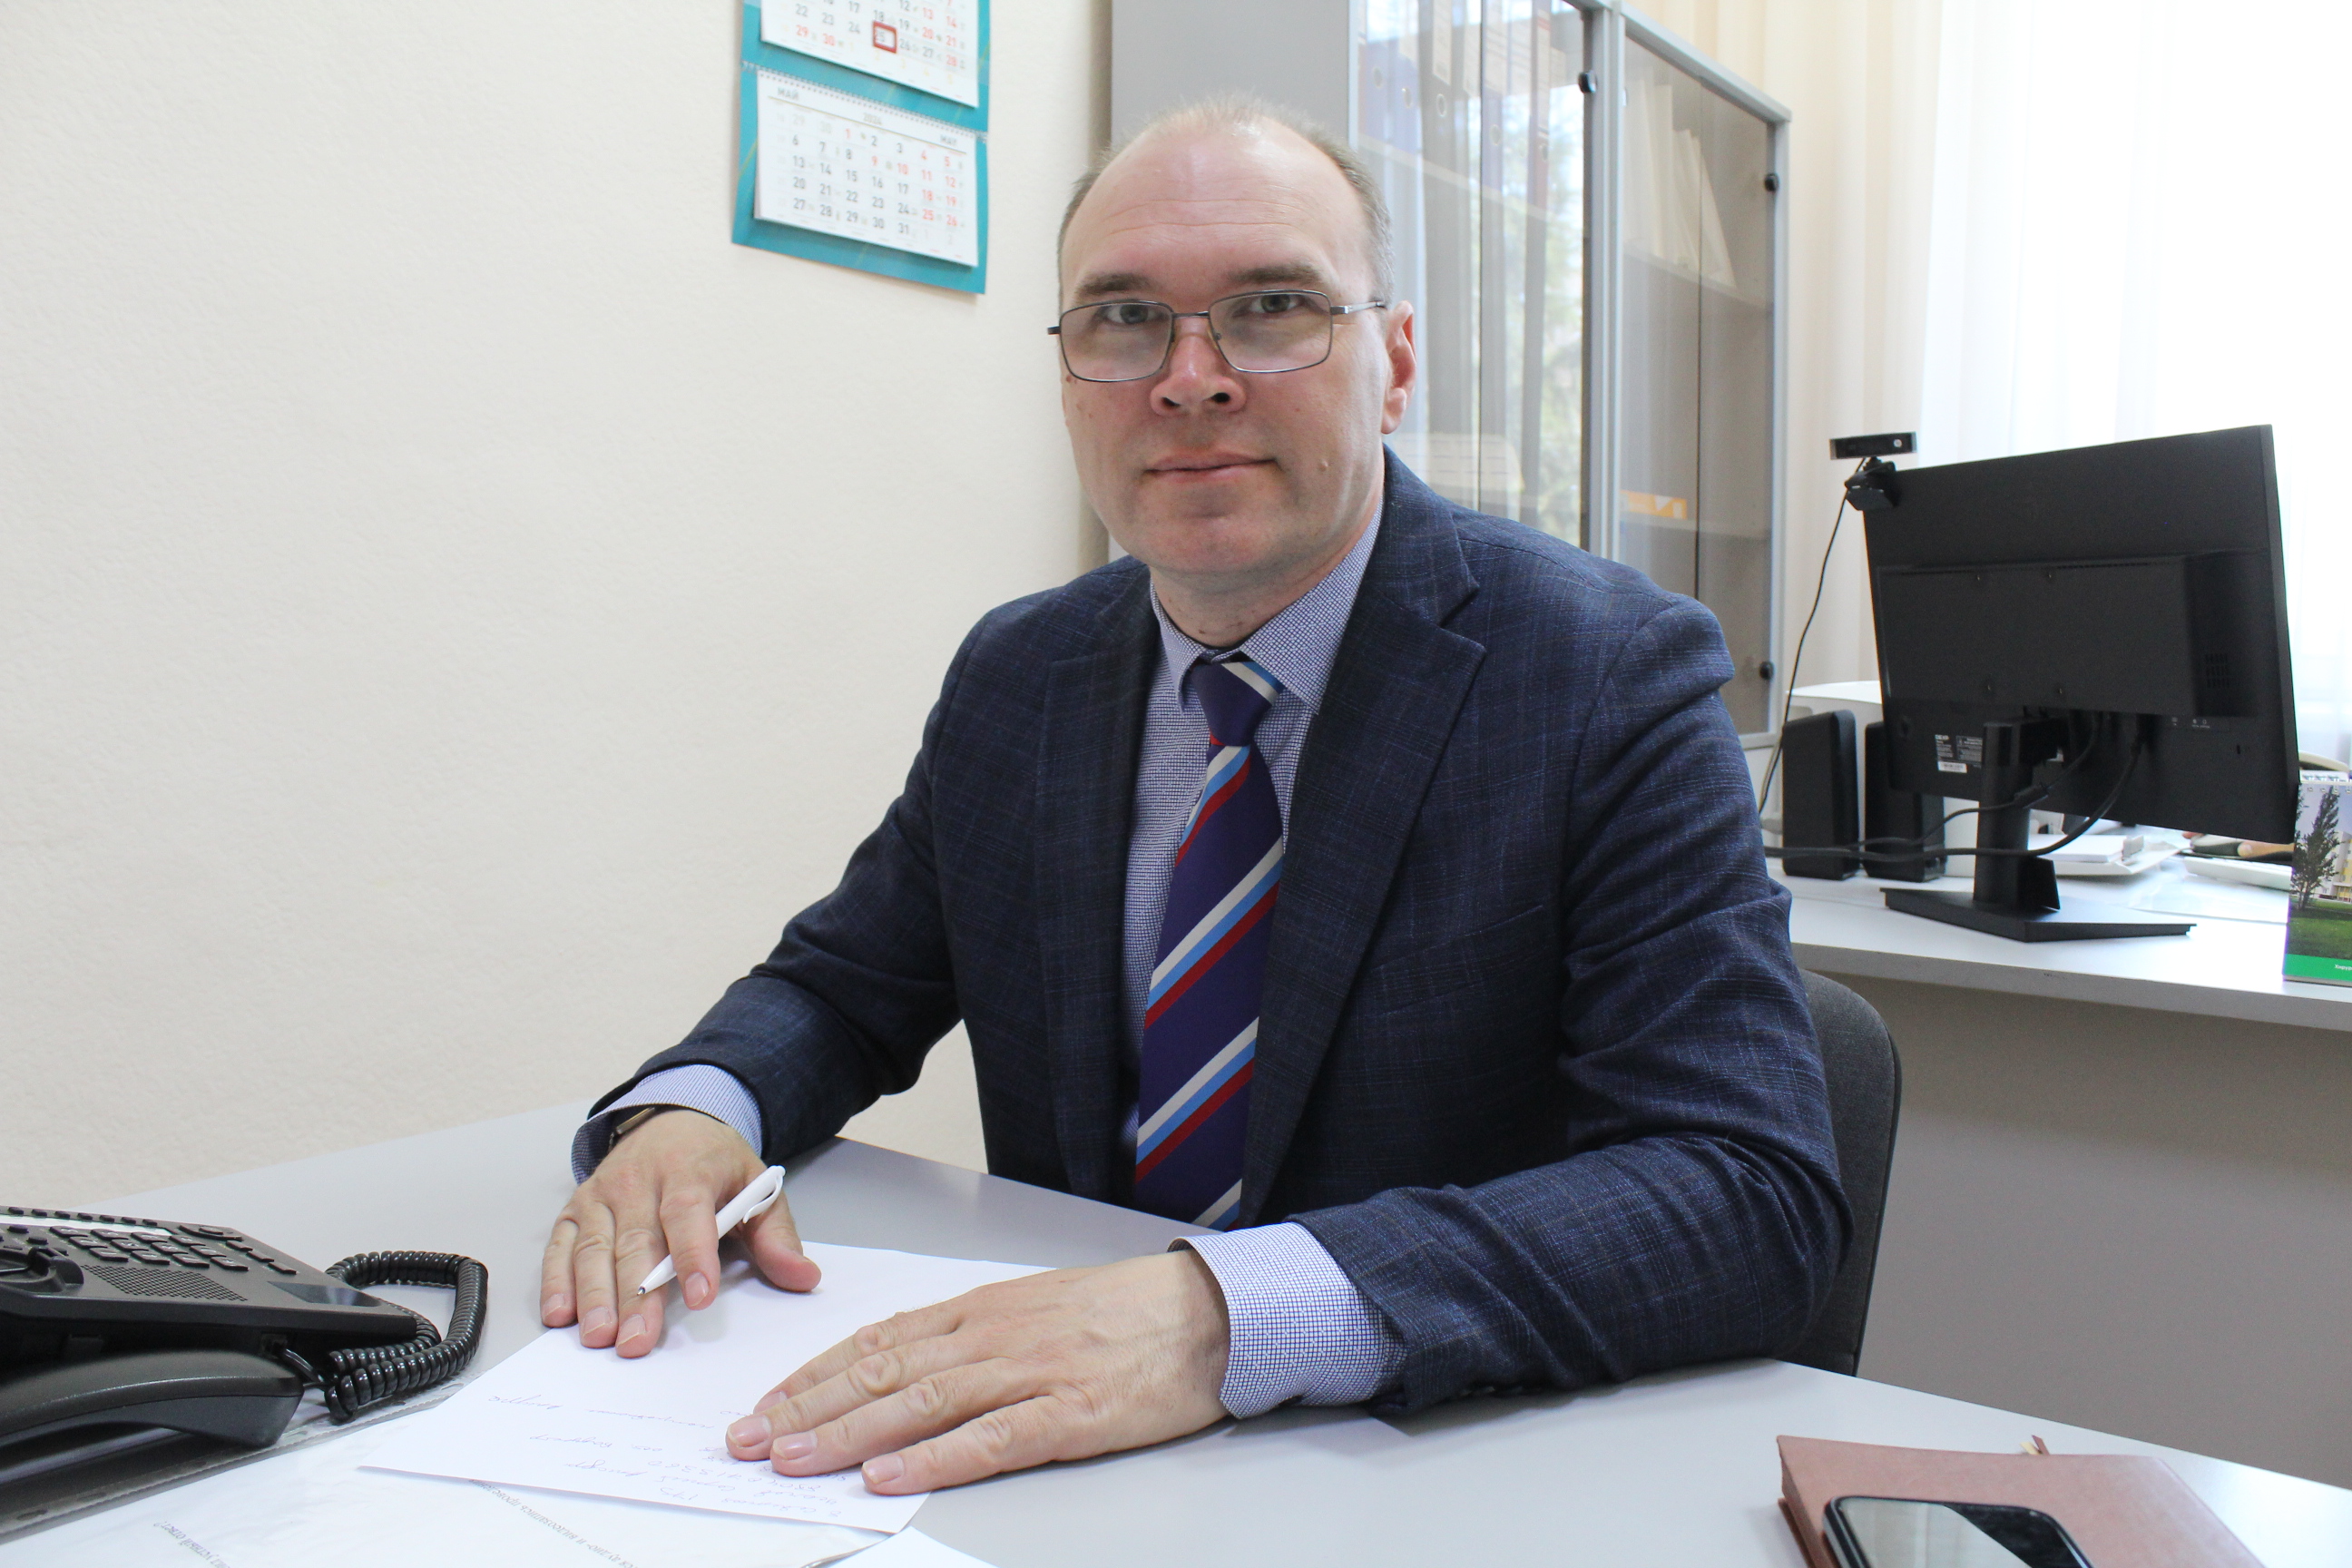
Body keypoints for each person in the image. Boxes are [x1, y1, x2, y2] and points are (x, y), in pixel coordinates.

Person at [540, 97, 1846, 1497]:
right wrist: (701, 1110)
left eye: (1272, 308)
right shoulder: (1022, 675)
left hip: (1429, 1471)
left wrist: (1225, 1312)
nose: (1189, 378)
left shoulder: (1603, 672)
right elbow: (846, 989)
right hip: (1060, 1480)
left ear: (1396, 363)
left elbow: (1747, 1192)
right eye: (1123, 320)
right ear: (1067, 379)